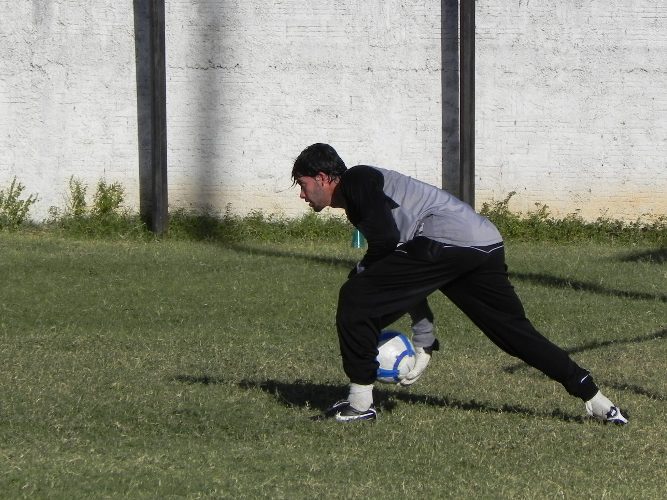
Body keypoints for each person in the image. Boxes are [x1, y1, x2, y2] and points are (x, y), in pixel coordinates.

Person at [292, 143, 629, 424]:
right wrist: (423, 338)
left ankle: (360, 405)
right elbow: (401, 272)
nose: (303, 195)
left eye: (303, 184)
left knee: (356, 296)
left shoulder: (357, 179)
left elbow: (388, 246)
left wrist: (363, 273)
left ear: (324, 177)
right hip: (482, 242)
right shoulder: (361, 194)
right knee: (514, 333)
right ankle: (598, 400)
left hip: (447, 242)